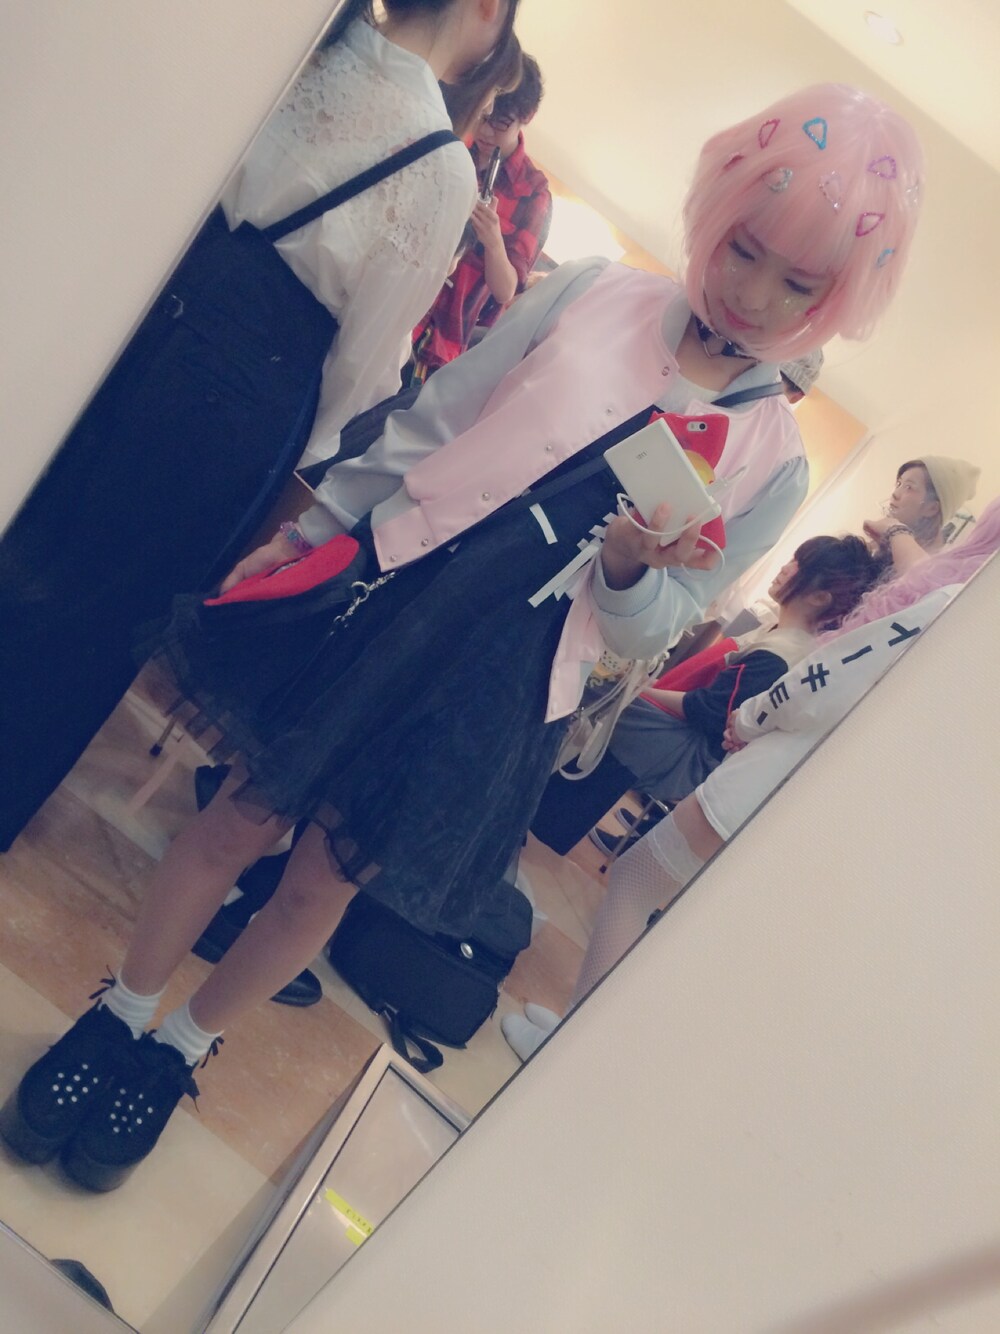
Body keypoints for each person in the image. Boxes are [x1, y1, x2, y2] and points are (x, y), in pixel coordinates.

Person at [1, 84, 924, 1191]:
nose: (754, 292)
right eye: (745, 249)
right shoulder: (593, 293)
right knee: (240, 813)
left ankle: (181, 1049)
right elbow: (436, 419)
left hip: (507, 680)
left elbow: (651, 629)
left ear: (836, 299)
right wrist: (314, 529)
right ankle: (121, 1012)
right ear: (716, 214)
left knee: (325, 881)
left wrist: (629, 567)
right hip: (397, 590)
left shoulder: (771, 459)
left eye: (797, 282)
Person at [0, 0, 519, 851]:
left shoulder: (304, 43)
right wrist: (300, 454)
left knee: (27, 522)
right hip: (237, 402)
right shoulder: (438, 163)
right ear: (488, 8)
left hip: (141, 314)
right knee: (97, 622)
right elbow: (364, 363)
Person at [503, 497, 1000, 1059]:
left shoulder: (953, 611)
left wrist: (749, 717)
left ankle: (565, 1053)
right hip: (836, 811)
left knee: (637, 882)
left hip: (775, 776)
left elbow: (824, 681)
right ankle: (577, 1048)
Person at [530, 534, 878, 858]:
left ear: (819, 597)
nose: (786, 568)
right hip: (673, 729)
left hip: (680, 747)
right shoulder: (780, 636)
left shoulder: (782, 653)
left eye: (798, 566)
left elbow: (710, 712)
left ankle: (532, 833)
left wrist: (640, 690)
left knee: (606, 705)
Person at [412, 54, 552, 379]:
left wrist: (493, 241)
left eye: (501, 123)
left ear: (526, 117)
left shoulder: (534, 191)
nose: (486, 131)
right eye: (484, 116)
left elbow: (506, 291)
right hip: (401, 296)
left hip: (443, 342)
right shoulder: (455, 140)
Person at [864, 455, 980, 576]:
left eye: (909, 487)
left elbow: (919, 578)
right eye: (899, 483)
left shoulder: (940, 568)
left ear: (932, 508)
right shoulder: (878, 549)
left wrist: (895, 529)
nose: (895, 494)